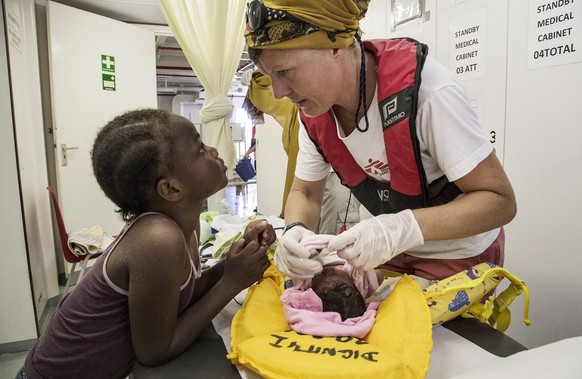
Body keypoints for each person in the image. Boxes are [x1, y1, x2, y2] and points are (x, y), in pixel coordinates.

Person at [244, 0, 516, 281]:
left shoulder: (429, 94)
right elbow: (306, 193)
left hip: (455, 251)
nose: (277, 92)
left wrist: (401, 228)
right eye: (268, 76)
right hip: (385, 251)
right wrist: (295, 230)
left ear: (335, 46)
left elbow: (499, 201)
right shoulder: (313, 114)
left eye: (284, 72)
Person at [18, 109, 274, 379]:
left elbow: (182, 295)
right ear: (171, 189)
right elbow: (154, 352)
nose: (213, 150)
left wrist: (237, 259)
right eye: (200, 149)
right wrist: (231, 282)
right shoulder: (158, 239)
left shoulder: (185, 224)